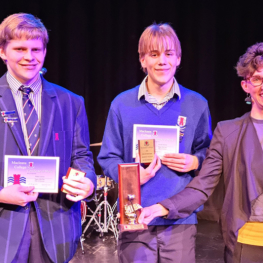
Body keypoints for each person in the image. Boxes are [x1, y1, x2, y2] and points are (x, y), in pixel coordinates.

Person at [97, 23, 212, 263]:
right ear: (142, 60)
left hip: (179, 219)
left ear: (178, 58)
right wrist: (130, 175)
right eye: (154, 54)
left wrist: (194, 160)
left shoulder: (196, 103)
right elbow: (107, 157)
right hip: (135, 216)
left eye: (169, 54)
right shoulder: (122, 104)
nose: (162, 61)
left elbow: (209, 155)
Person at [139, 42, 263, 263]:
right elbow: (202, 186)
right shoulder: (228, 132)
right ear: (246, 86)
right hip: (246, 243)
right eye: (257, 79)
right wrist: (162, 207)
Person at [0, 13, 96, 263]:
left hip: (56, 224)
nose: (29, 57)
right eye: (20, 48)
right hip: (4, 226)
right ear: (2, 51)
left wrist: (88, 183)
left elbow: (82, 156)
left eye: (36, 49)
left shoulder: (71, 102)